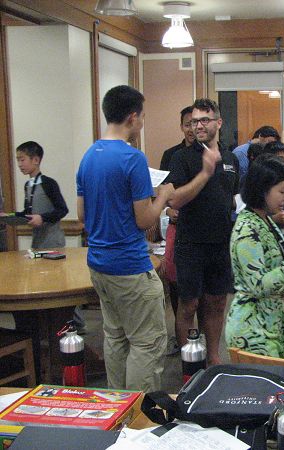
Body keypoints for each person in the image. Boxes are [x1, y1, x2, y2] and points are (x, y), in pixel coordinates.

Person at [76, 85, 174, 392]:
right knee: (147, 342)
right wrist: (164, 196)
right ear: (132, 117)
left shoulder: (89, 156)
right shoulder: (133, 158)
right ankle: (138, 411)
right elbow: (144, 220)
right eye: (142, 116)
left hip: (99, 264)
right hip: (129, 266)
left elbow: (81, 215)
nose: (142, 122)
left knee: (115, 337)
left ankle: (116, 407)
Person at [225, 154, 284, 358]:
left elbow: (274, 263)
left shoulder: (264, 220)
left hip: (272, 319)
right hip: (253, 328)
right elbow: (259, 285)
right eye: (282, 191)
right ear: (262, 190)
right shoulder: (247, 229)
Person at [168, 98, 239, 366]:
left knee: (217, 302)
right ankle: (189, 362)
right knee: (189, 305)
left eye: (204, 120)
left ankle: (213, 357)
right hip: (190, 243)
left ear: (218, 123)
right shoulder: (182, 158)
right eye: (195, 121)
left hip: (221, 243)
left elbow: (232, 197)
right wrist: (205, 173)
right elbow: (175, 200)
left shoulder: (231, 158)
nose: (198, 126)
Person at [159, 106, 194, 343]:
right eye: (187, 124)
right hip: (177, 226)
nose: (192, 128)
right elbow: (164, 191)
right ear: (181, 126)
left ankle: (197, 338)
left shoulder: (213, 155)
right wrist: (169, 210)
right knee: (175, 284)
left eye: (196, 123)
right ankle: (180, 338)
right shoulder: (171, 155)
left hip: (202, 229)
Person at [14, 141, 68, 249]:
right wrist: (11, 216)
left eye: (22, 160)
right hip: (37, 242)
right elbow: (28, 212)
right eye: (18, 160)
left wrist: (42, 218)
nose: (19, 164)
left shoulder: (48, 183)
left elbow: (62, 210)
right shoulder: (27, 185)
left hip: (53, 242)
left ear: (36, 160)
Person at [232, 125, 280, 191]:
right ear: (260, 136)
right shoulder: (241, 152)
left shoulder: (265, 151)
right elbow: (241, 176)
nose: (270, 145)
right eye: (269, 141)